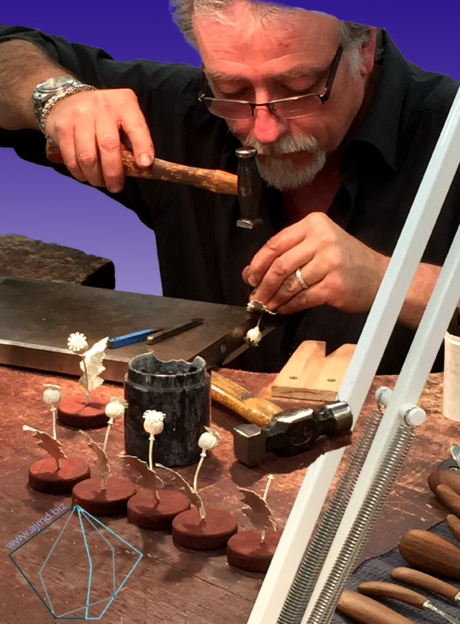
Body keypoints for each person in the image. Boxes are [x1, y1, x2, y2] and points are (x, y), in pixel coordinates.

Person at [0, 1, 459, 373]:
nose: (263, 130)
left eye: (297, 86)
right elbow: (8, 51)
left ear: (364, 47)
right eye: (233, 90)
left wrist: (391, 281)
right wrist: (55, 96)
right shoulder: (183, 111)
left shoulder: (450, 132)